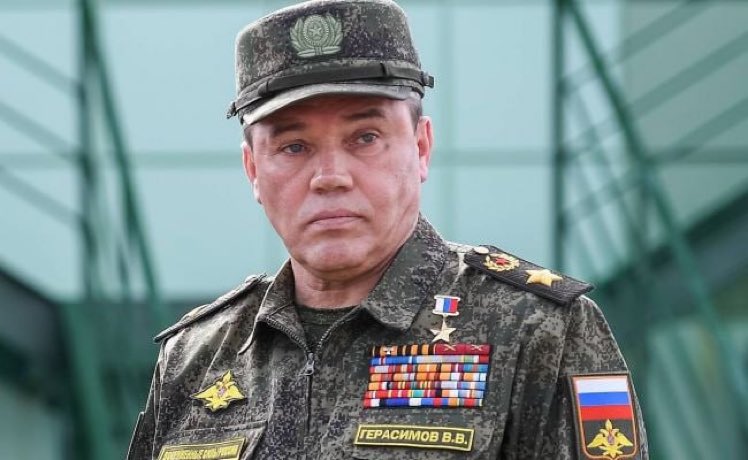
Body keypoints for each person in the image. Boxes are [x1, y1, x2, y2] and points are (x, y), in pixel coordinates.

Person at [128, 0, 648, 458]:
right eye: (294, 147)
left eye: (365, 137)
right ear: (253, 172)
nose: (330, 176)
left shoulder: (538, 329)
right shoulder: (196, 357)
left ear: (421, 148)